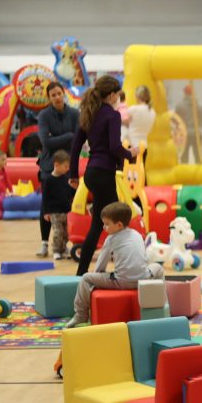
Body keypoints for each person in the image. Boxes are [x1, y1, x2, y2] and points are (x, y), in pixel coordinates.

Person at [69, 75, 137, 276]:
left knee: (99, 224)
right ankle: (126, 267)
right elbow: (115, 147)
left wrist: (73, 174)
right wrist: (130, 153)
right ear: (112, 94)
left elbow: (75, 146)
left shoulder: (89, 112)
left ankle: (82, 272)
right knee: (120, 220)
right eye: (118, 94)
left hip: (90, 173)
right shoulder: (112, 115)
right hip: (104, 173)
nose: (119, 98)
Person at [66, 202, 162, 329]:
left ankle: (80, 315)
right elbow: (142, 258)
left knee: (86, 278)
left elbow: (100, 266)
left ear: (119, 225)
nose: (104, 227)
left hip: (121, 282)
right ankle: (162, 303)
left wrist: (97, 278)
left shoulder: (111, 239)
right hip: (144, 279)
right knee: (158, 268)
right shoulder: (137, 234)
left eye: (106, 224)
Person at [37, 82, 79, 257]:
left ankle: (66, 243)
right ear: (49, 98)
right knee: (47, 205)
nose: (56, 97)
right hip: (49, 165)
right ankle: (45, 243)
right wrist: (68, 136)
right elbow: (45, 142)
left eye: (59, 93)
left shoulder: (75, 113)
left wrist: (58, 138)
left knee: (68, 203)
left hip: (69, 165)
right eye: (53, 95)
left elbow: (78, 139)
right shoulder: (44, 115)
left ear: (64, 94)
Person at [41, 150, 75, 260]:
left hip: (66, 211)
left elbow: (69, 193)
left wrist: (75, 189)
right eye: (65, 166)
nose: (67, 169)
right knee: (58, 232)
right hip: (54, 212)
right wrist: (46, 212)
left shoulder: (65, 179)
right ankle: (56, 250)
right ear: (56, 165)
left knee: (66, 233)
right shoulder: (48, 180)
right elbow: (45, 198)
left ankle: (64, 248)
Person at [176, 85, 202, 164]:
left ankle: (185, 175)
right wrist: (200, 127)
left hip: (184, 134)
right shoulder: (201, 105)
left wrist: (180, 130)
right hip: (197, 133)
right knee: (198, 156)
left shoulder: (179, 106)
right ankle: (200, 175)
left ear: (184, 93)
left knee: (184, 157)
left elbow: (176, 121)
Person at [126, 85, 155, 156]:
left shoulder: (133, 109)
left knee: (130, 167)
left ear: (137, 96)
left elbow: (125, 122)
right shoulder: (152, 111)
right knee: (142, 167)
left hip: (132, 146)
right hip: (144, 147)